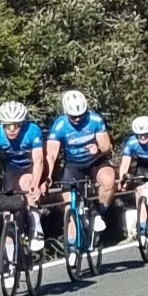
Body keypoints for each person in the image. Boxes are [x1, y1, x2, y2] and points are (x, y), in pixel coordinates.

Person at [44, 89, 116, 258]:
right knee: (69, 203)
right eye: (73, 116)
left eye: (80, 115)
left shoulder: (95, 120)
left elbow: (107, 146)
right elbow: (51, 154)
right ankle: (72, 245)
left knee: (108, 181)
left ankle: (99, 212)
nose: (77, 119)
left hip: (96, 161)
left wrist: (98, 149)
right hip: (74, 164)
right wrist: (48, 176)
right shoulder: (60, 125)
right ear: (66, 113)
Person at [0, 101, 47, 268]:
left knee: (27, 183)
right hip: (11, 170)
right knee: (7, 215)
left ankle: (36, 224)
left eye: (16, 125)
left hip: (31, 167)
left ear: (23, 123)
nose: (12, 129)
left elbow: (38, 160)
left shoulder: (32, 130)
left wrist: (36, 184)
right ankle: (9, 263)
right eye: (7, 126)